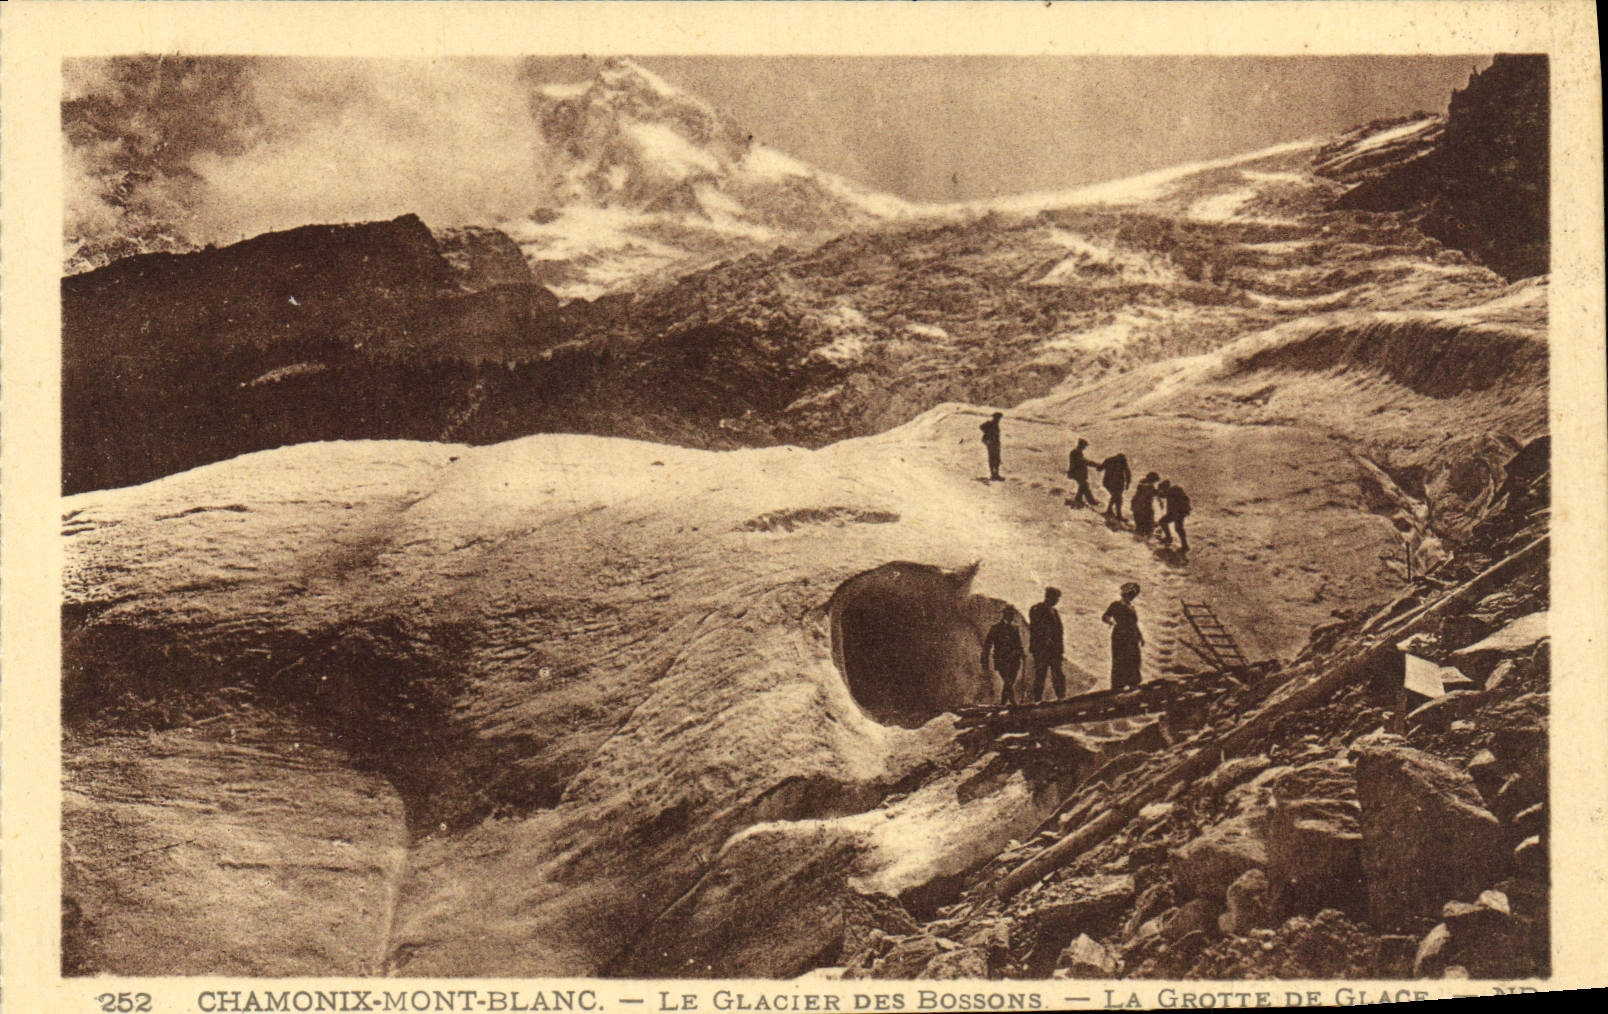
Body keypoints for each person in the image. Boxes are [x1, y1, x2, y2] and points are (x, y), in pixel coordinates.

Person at [1103, 582, 1145, 692]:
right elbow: (1105, 616)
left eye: (1133, 595)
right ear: (1125, 594)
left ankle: (1133, 684)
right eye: (1130, 595)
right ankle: (1118, 686)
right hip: (1120, 636)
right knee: (1120, 660)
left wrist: (1140, 637)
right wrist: (1111, 622)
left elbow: (1134, 624)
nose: (1131, 597)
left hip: (1131, 636)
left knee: (1134, 659)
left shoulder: (1131, 607)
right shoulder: (1116, 605)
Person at [1028, 587, 1066, 702]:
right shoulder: (1037, 609)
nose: (1057, 601)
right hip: (1042, 649)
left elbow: (1059, 632)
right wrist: (1045, 640)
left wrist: (1060, 649)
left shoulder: (1055, 612)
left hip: (1054, 650)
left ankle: (1061, 697)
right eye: (1056, 598)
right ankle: (1037, 700)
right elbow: (1036, 628)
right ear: (1049, 597)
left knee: (1058, 673)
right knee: (1040, 674)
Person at [982, 605, 1025, 706]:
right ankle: (1014, 704)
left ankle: (1002, 705)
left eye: (1013, 614)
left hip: (1014, 661)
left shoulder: (1015, 628)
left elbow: (1018, 644)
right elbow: (987, 644)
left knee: (1008, 684)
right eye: (1009, 614)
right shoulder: (995, 628)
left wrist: (1022, 653)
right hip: (1002, 661)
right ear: (1004, 614)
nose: (1012, 616)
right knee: (1008, 682)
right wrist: (985, 659)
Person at [1157, 479, 1192, 551]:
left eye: (1162, 490)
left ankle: (1185, 545)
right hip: (1175, 512)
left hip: (1180, 512)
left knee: (1178, 528)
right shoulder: (1171, 491)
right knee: (1163, 522)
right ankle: (1169, 538)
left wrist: (1176, 515)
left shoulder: (1175, 492)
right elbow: (1164, 495)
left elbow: (1178, 504)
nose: (1162, 491)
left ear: (1165, 488)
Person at [1097, 452, 1132, 522]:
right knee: (1117, 497)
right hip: (1117, 484)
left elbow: (1099, 469)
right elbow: (1127, 473)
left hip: (1108, 482)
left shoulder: (1109, 460)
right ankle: (1116, 514)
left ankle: (1111, 511)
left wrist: (1098, 466)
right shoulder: (1122, 461)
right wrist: (1128, 483)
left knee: (1116, 497)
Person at [1067, 438, 1100, 508]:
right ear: (1081, 445)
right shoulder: (1075, 452)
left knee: (1082, 486)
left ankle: (1078, 499)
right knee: (1085, 486)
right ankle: (1091, 501)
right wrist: (1096, 464)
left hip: (1079, 474)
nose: (1085, 447)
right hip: (1077, 473)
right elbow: (1084, 461)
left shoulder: (1077, 452)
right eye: (1084, 446)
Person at [1132, 472, 1160, 537]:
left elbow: (1153, 493)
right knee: (1146, 521)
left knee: (1141, 522)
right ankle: (1144, 533)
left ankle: (1141, 532)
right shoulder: (1148, 486)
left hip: (1138, 506)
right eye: (1154, 480)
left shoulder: (1144, 484)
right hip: (1142, 507)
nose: (1155, 482)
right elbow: (1150, 494)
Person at [980, 412, 1004, 481]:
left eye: (999, 418)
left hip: (995, 444)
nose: (999, 419)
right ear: (995, 418)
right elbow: (981, 427)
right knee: (993, 459)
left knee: (996, 459)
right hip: (991, 444)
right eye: (998, 418)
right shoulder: (990, 423)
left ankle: (995, 474)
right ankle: (993, 475)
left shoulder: (995, 424)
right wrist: (987, 434)